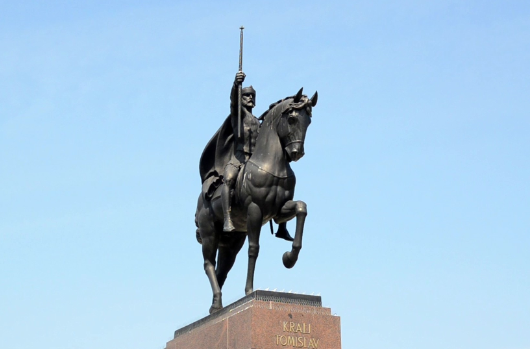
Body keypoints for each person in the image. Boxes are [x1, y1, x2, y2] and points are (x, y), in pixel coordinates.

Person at [221, 71, 259, 231]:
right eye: (246, 96)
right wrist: (236, 85)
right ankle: (227, 218)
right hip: (239, 157)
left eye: (252, 96)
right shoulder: (238, 115)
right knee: (229, 180)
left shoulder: (258, 121)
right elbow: (233, 101)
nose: (250, 98)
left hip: (255, 160)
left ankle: (281, 225)